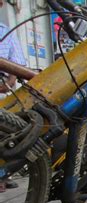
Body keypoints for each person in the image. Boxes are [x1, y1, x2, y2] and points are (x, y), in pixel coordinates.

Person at [0, 0, 26, 192]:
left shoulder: (5, 32)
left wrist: (8, 83)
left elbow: (16, 68)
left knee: (13, 130)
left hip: (2, 95)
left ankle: (3, 173)